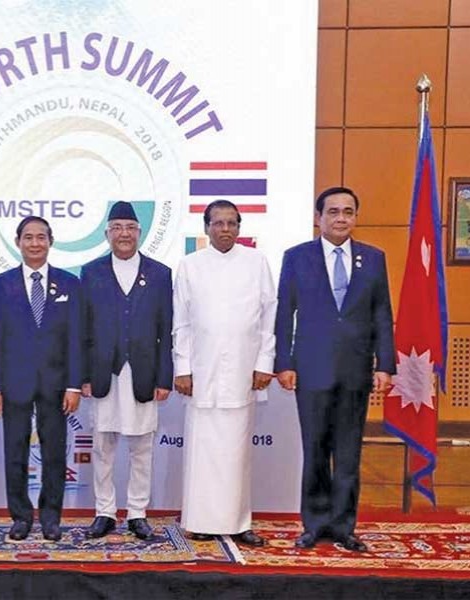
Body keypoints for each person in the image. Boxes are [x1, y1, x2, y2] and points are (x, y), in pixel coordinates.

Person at [275, 186, 395, 553]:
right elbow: (284, 314)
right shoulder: (297, 257)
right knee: (314, 451)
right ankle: (314, 524)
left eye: (348, 211)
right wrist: (284, 362)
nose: (341, 218)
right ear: (318, 218)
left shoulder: (373, 259)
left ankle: (344, 526)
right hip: (310, 369)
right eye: (333, 212)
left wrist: (385, 365)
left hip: (356, 371)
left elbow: (382, 315)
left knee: (348, 454)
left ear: (355, 216)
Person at [172, 200, 275, 547]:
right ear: (206, 228)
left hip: (244, 371)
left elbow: (268, 318)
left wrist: (265, 363)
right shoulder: (189, 265)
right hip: (202, 371)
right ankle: (200, 520)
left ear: (240, 227)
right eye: (218, 223)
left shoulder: (256, 262)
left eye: (232, 223)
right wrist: (182, 368)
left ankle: (238, 522)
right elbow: (181, 323)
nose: (225, 229)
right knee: (203, 450)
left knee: (236, 453)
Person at [0, 216, 82, 542]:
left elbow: (75, 338)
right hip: (14, 383)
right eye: (29, 237)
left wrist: (73, 384)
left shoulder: (70, 283)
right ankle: (21, 517)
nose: (35, 243)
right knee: (15, 452)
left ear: (51, 241)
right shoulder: (1, 283)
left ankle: (52, 517)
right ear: (18, 242)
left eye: (42, 237)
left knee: (54, 452)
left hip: (56, 385)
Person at [80, 201, 173, 540]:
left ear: (139, 232)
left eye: (129, 228)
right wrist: (83, 376)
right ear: (107, 233)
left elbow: (167, 329)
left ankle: (137, 513)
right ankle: (104, 512)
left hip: (144, 373)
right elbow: (83, 329)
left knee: (141, 447)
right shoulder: (90, 272)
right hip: (104, 373)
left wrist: (165, 377)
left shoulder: (161, 273)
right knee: (103, 446)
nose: (123, 234)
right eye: (117, 227)